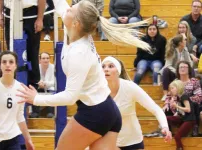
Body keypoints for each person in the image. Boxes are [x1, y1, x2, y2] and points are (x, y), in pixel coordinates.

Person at [16, 0, 151, 149]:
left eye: (71, 10)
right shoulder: (73, 29)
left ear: (76, 23)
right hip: (107, 111)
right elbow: (60, 4)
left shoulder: (79, 52)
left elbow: (70, 96)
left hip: (95, 113)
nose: (67, 10)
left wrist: (36, 99)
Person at [102, 56, 172, 150]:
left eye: (110, 66)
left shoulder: (130, 87)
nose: (106, 69)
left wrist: (165, 127)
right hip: (110, 142)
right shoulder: (98, 90)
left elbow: (155, 109)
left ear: (118, 71)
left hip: (133, 141)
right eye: (103, 66)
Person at [0, 0, 46, 89]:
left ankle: (33, 88)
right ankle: (12, 86)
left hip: (31, 14)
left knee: (32, 53)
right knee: (11, 53)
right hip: (10, 13)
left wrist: (40, 18)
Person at [160, 34, 193, 100]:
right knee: (165, 70)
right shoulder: (172, 51)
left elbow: (190, 63)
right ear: (180, 43)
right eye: (185, 40)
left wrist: (185, 69)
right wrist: (177, 71)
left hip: (183, 72)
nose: (186, 41)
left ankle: (191, 91)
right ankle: (165, 94)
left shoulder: (185, 49)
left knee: (191, 70)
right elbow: (168, 65)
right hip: (173, 73)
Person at [167, 80, 196, 150]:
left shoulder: (184, 96)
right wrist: (173, 105)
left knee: (177, 136)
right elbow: (181, 112)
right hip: (184, 118)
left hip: (190, 120)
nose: (171, 90)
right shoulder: (179, 97)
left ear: (178, 87)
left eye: (172, 88)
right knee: (167, 118)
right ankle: (168, 132)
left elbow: (188, 109)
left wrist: (176, 106)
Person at [30, 52, 55, 118]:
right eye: (43, 58)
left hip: (49, 88)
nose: (45, 60)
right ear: (40, 60)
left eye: (47, 58)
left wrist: (45, 84)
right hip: (39, 87)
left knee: (52, 91)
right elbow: (33, 79)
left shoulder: (53, 67)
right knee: (34, 90)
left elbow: (55, 82)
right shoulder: (36, 68)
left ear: (49, 59)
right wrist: (39, 83)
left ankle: (50, 112)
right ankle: (35, 112)